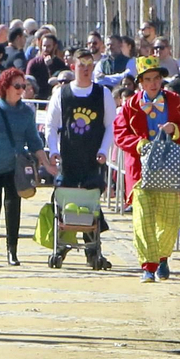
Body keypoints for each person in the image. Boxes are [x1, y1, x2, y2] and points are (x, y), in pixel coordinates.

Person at [113, 55, 180, 282]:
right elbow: (120, 134)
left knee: (169, 220)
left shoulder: (175, 101)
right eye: (147, 79)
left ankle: (162, 258)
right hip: (140, 170)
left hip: (170, 168)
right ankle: (148, 267)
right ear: (140, 82)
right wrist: (139, 144)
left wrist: (175, 130)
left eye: (156, 78)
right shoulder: (129, 106)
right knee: (143, 218)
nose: (152, 83)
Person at [0, 68, 52, 266]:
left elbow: (34, 141)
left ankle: (12, 250)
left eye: (23, 86)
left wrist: (47, 164)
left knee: (12, 207)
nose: (21, 90)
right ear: (5, 87)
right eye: (17, 86)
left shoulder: (26, 112)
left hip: (13, 168)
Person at [45, 48, 115, 269]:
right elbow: (52, 125)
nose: (85, 69)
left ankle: (92, 248)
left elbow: (110, 126)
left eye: (89, 64)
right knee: (65, 200)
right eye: (81, 64)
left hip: (93, 159)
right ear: (73, 66)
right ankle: (63, 244)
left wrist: (104, 151)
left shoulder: (102, 93)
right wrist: (53, 150)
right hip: (68, 157)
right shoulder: (62, 94)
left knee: (90, 202)